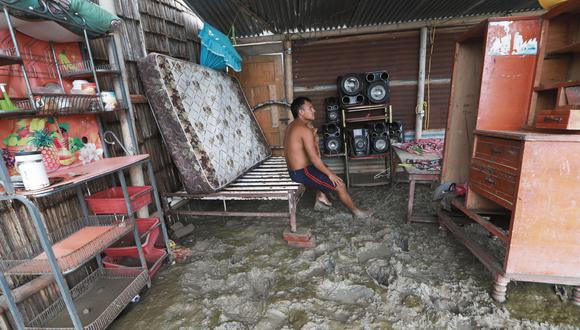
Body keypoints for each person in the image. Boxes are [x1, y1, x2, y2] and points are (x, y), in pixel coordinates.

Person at [284, 96, 371, 219]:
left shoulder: (292, 125)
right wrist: (331, 175)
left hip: (299, 169)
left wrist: (314, 140)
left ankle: (321, 197)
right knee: (340, 185)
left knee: (325, 167)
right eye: (310, 108)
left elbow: (315, 156)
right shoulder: (304, 129)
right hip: (301, 172)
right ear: (301, 112)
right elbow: (315, 159)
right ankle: (357, 212)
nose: (314, 110)